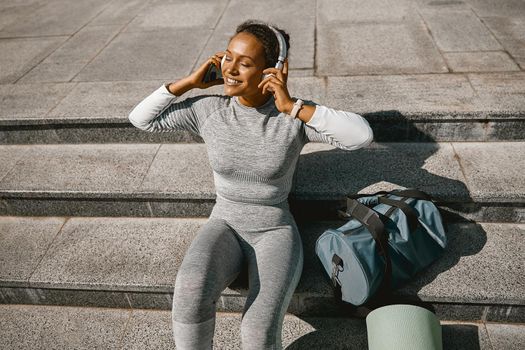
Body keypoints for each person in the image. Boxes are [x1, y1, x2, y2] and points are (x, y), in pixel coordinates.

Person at [128, 19, 373, 350]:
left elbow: (361, 135)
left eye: (245, 63)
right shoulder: (208, 110)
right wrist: (188, 83)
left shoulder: (289, 117)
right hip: (224, 223)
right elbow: (141, 119)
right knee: (189, 291)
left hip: (274, 231)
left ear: (272, 71)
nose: (230, 69)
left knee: (257, 332)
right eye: (228, 57)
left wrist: (293, 107)